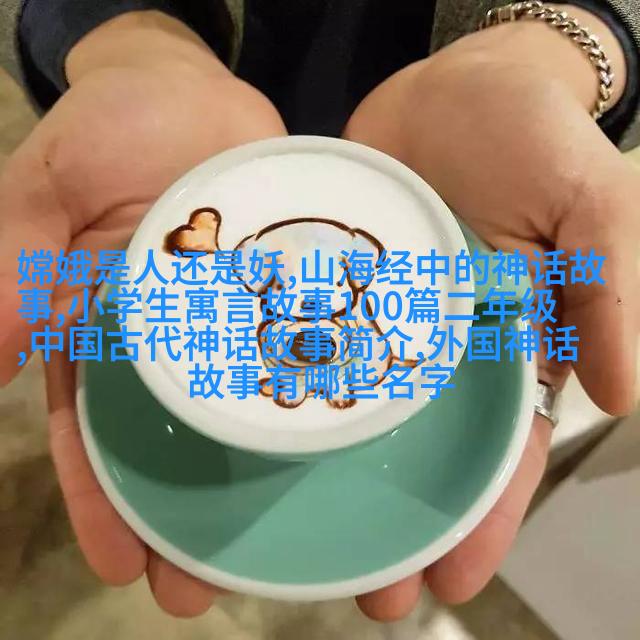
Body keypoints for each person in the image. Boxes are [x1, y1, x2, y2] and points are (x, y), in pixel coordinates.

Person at [0, 0, 638, 622]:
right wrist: (111, 31)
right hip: (194, 106)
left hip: (444, 138)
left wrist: (564, 42)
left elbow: (493, 285)